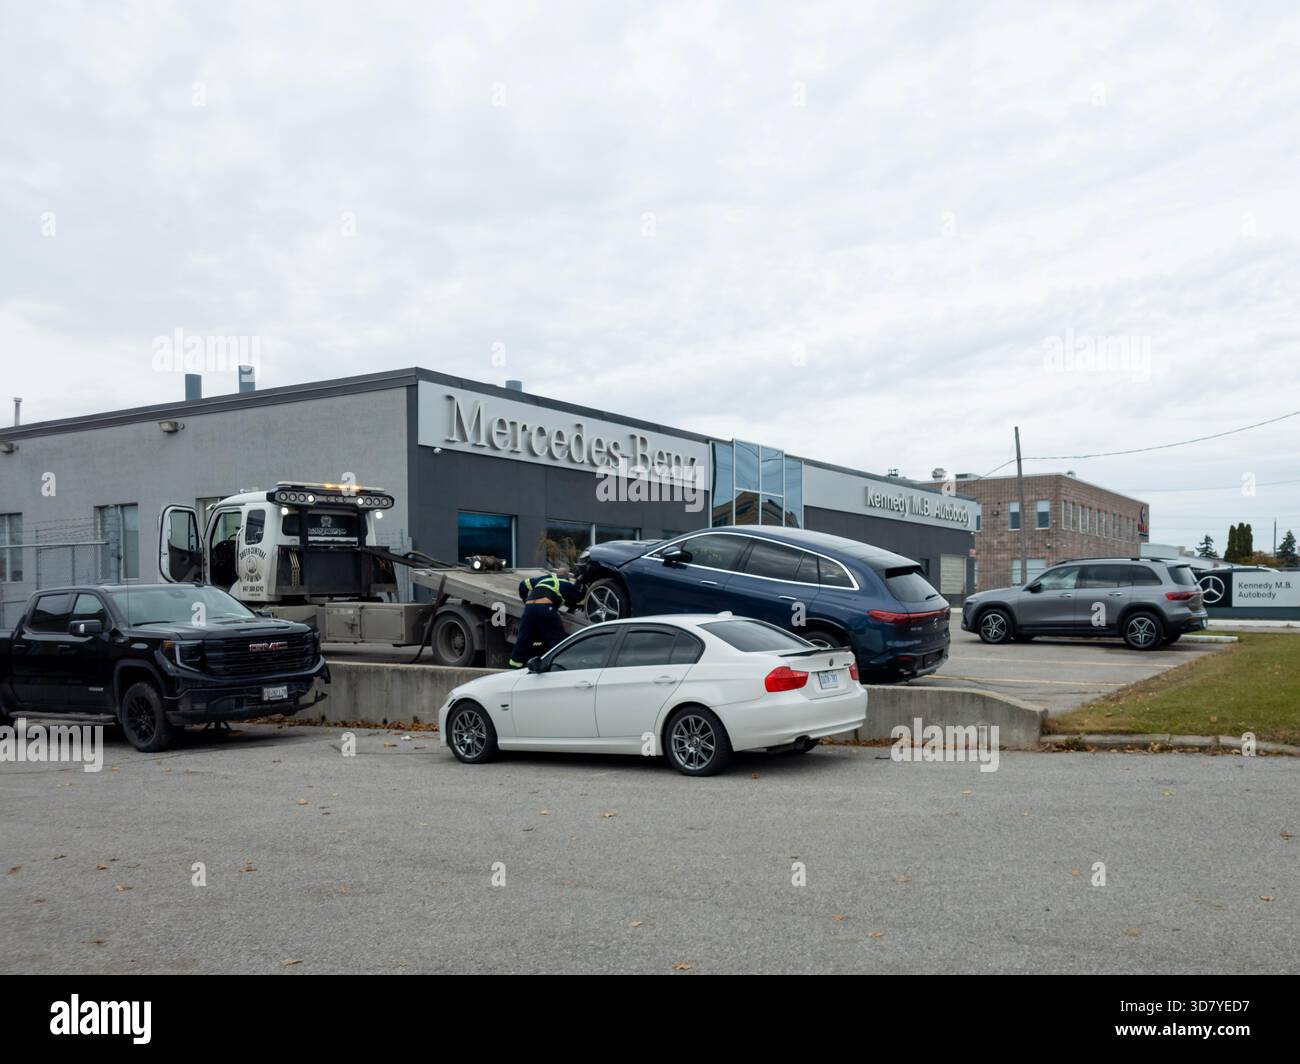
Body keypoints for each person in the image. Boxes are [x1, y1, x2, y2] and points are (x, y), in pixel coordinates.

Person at [509, 569, 583, 668]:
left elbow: (523, 585)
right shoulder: (565, 584)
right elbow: (578, 598)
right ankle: (559, 666)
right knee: (556, 641)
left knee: (523, 641)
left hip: (529, 609)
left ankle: (514, 667)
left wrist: (525, 599)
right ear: (567, 578)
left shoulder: (544, 579)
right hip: (545, 608)